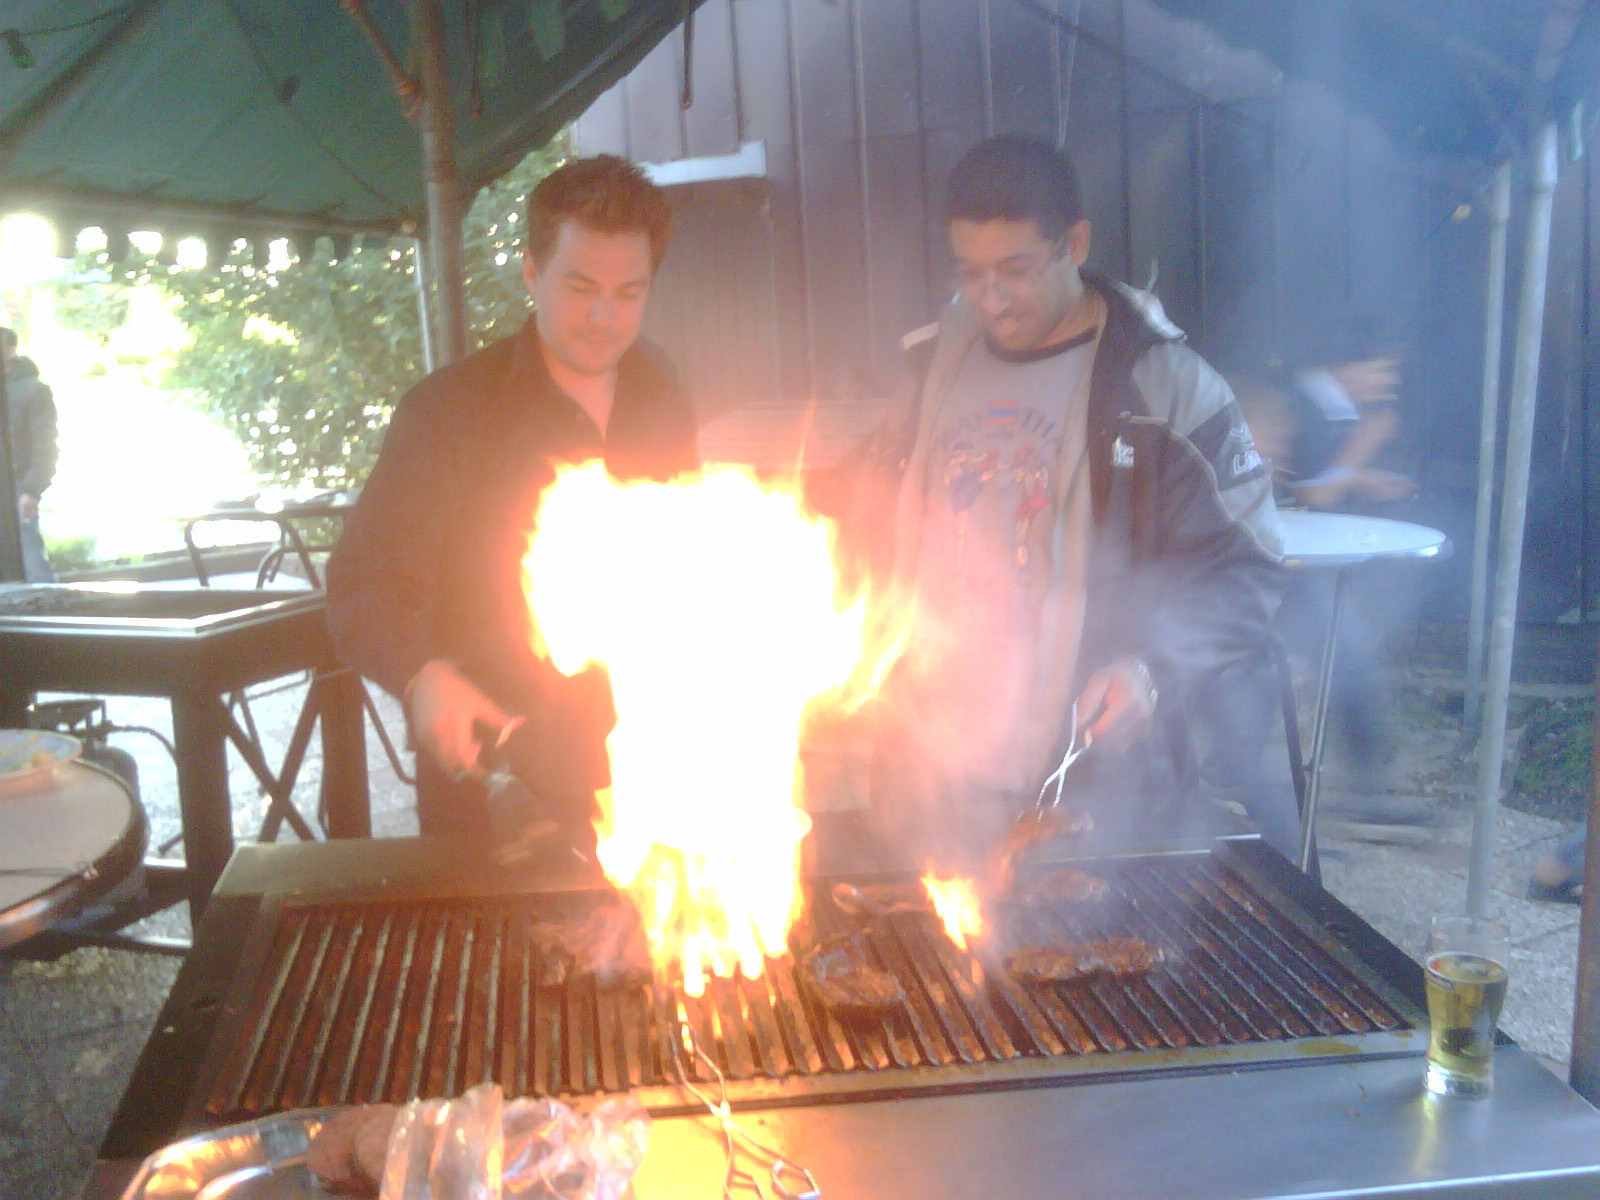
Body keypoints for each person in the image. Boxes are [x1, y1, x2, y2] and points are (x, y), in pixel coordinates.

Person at [861, 135, 1287, 868]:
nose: (991, 298)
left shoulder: (1163, 387)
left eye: (1016, 270)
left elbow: (1249, 571)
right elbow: (864, 518)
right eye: (971, 272)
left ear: (1075, 243)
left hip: (1089, 781)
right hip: (930, 769)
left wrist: (1150, 667)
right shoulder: (931, 370)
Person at [326, 155, 699, 845]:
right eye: (580, 285)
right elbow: (360, 582)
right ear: (532, 271)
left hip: (644, 772)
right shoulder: (449, 412)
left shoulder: (661, 388)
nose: (603, 317)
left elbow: (683, 563)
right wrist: (421, 676)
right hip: (497, 790)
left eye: (629, 293)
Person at [1273, 312, 1434, 843]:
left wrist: (1363, 474)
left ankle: (1353, 797)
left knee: (1354, 666)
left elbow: (1322, 483)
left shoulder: (1332, 404)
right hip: (1275, 570)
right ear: (1347, 365)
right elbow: (1307, 491)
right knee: (1353, 664)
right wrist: (1364, 450)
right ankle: (1333, 807)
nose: (1386, 385)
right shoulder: (1300, 401)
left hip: (1306, 565)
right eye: (1380, 371)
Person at [1, 326, 59, 583]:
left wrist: (32, 489)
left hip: (17, 484)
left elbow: (45, 444)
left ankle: (52, 616)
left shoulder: (33, 390)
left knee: (30, 557)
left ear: (12, 350)